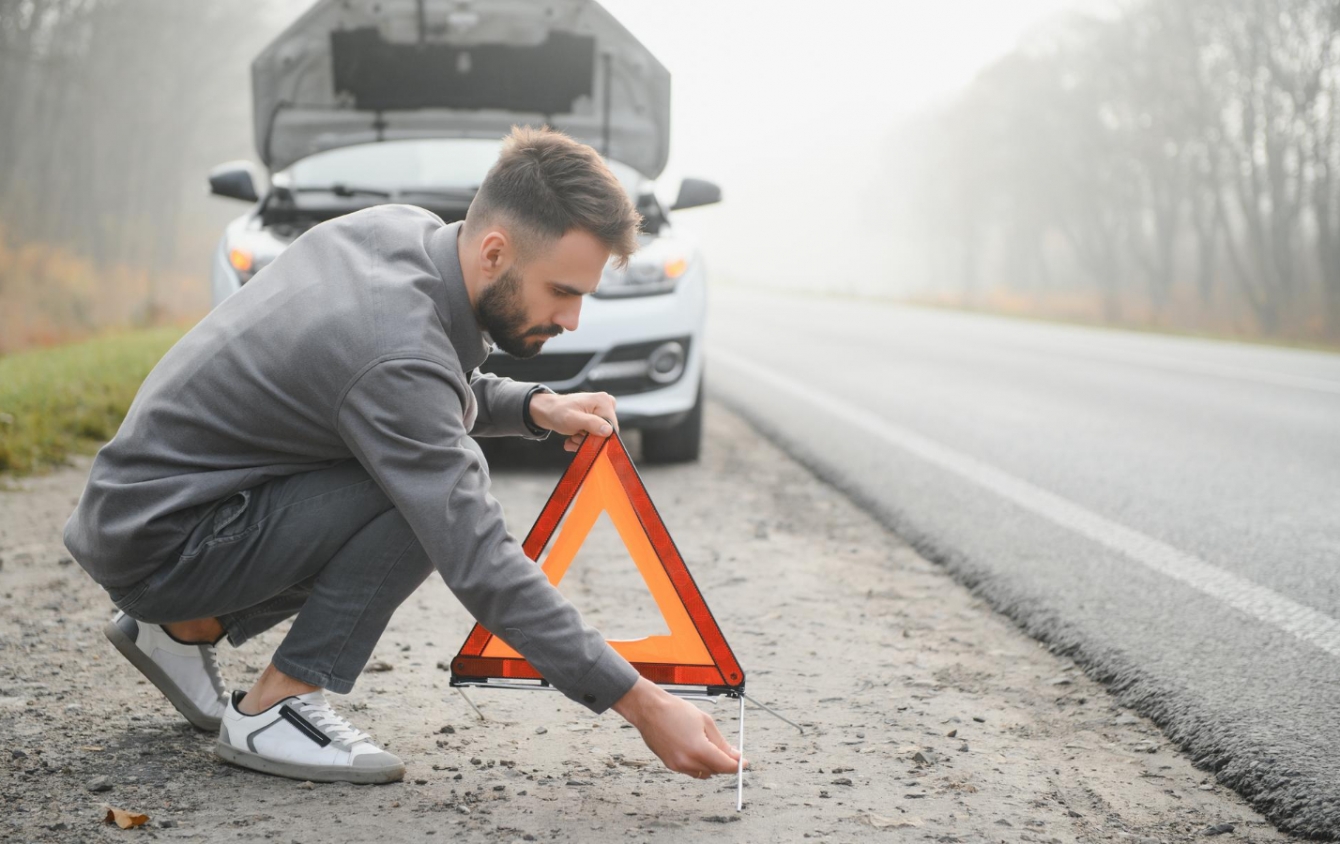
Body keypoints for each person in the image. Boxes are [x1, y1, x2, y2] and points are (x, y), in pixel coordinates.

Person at [62, 126, 743, 785]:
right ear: (496, 252)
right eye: (563, 292)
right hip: (167, 544)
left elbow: (407, 380)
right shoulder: (397, 352)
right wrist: (643, 703)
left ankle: (185, 629)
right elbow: (476, 552)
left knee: (412, 475)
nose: (572, 321)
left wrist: (534, 406)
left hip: (147, 513)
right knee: (422, 506)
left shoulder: (400, 234)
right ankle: (274, 707)